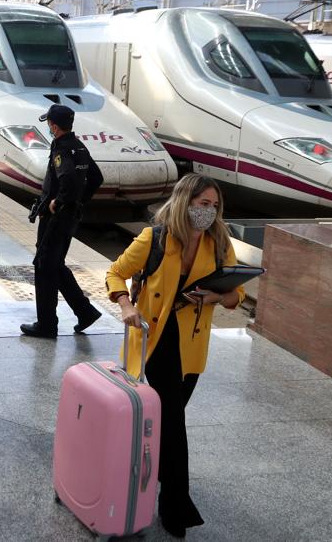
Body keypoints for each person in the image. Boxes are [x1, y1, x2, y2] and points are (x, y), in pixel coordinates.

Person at [106, 174, 243, 538]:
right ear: (185, 202)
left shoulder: (219, 243)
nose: (209, 212)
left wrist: (216, 297)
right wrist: (124, 305)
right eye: (203, 205)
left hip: (193, 342)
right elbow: (116, 273)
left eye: (214, 206)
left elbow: (236, 296)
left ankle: (156, 482)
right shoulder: (155, 238)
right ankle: (175, 505)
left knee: (171, 418)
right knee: (174, 423)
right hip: (156, 338)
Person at [19, 104, 105, 339]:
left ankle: (46, 325)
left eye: (49, 124)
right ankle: (84, 311)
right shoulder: (79, 147)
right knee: (54, 264)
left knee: (44, 266)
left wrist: (60, 201)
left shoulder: (60, 150)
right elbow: (96, 178)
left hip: (56, 219)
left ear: (54, 127)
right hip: (70, 218)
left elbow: (67, 177)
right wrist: (79, 201)